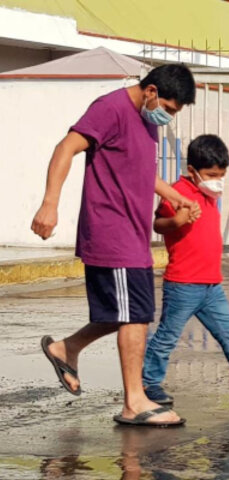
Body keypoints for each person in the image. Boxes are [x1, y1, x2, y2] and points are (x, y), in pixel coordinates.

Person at [33, 63, 199, 427]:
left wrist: (175, 195)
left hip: (133, 234)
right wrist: (50, 203)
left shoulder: (146, 120)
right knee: (134, 314)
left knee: (125, 312)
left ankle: (66, 348)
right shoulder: (110, 108)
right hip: (112, 230)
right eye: (169, 109)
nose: (168, 117)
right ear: (152, 90)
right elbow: (66, 147)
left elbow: (138, 167)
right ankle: (134, 402)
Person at [142, 134, 229, 406]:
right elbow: (158, 225)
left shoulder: (209, 194)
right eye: (211, 174)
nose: (217, 179)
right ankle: (149, 384)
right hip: (183, 283)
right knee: (167, 337)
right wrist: (178, 219)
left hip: (211, 285)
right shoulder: (178, 192)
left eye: (221, 174)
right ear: (192, 171)